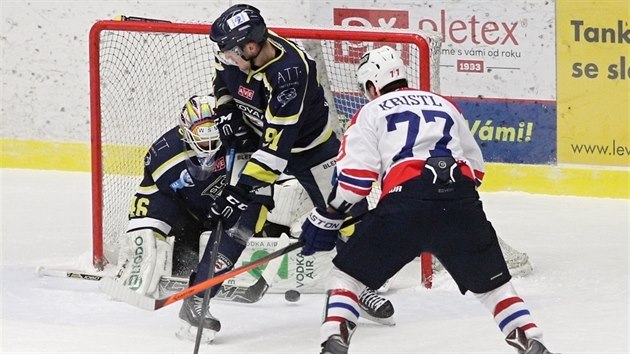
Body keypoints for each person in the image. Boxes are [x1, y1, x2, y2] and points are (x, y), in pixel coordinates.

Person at [299, 46, 556, 354]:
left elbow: (354, 184)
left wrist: (328, 216)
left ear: (371, 86)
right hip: (460, 202)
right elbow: (476, 169)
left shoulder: (370, 111)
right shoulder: (444, 105)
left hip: (405, 203)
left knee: (346, 277)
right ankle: (529, 338)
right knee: (495, 289)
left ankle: (334, 339)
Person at [207, 3, 394, 325]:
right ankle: (198, 300)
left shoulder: (291, 71)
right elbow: (223, 79)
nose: (227, 57)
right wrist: (225, 110)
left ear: (251, 47)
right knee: (239, 222)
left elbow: (277, 151)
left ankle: (361, 284)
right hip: (258, 145)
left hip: (311, 148)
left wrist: (240, 189)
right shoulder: (234, 54)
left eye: (232, 52)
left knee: (352, 215)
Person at [115, 94, 271, 343]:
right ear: (185, 131)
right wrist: (143, 244)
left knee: (246, 223)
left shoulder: (239, 138)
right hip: (186, 214)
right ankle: (143, 264)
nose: (209, 142)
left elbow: (259, 183)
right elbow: (150, 201)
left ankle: (200, 295)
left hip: (226, 206)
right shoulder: (164, 155)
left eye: (213, 132)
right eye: (201, 133)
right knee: (159, 238)